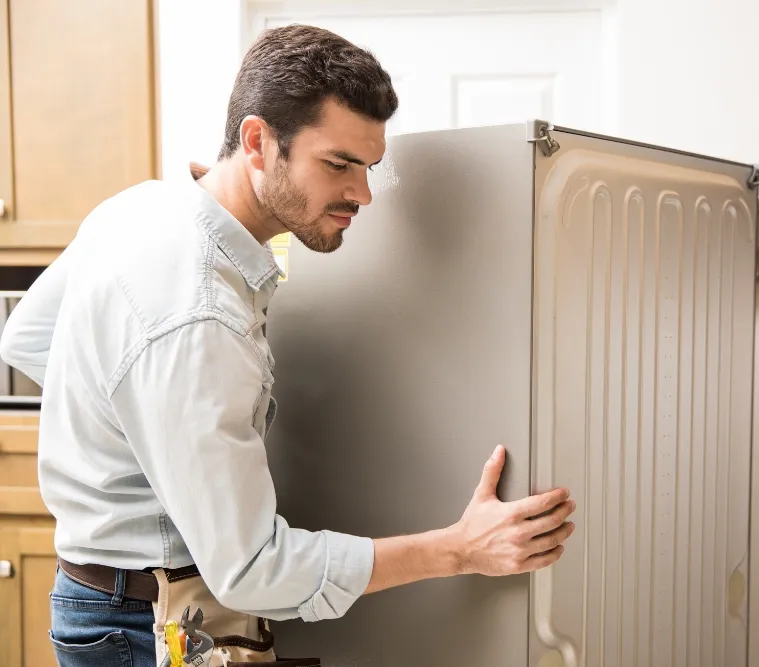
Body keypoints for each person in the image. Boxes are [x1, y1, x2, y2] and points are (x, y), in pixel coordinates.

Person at [0, 24, 575, 667]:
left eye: (369, 167)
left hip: (99, 598)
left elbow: (24, 338)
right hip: (153, 621)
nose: (362, 193)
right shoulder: (200, 317)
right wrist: (461, 549)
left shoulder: (142, 207)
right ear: (257, 142)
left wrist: (155, 434)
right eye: (337, 164)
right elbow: (251, 570)